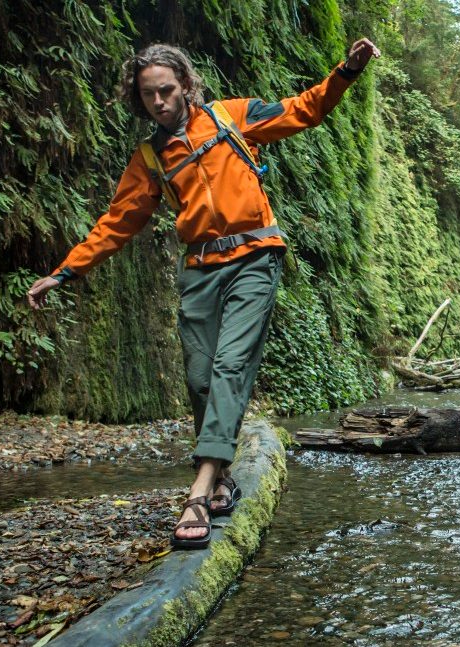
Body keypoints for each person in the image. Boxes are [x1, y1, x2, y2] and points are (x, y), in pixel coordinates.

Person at [26, 39, 380, 549]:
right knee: (198, 376)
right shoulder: (150, 158)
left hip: (256, 258)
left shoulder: (233, 118)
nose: (159, 102)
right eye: (148, 96)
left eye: (167, 90)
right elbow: (116, 224)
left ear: (187, 85)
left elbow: (304, 110)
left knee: (230, 365)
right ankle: (224, 476)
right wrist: (65, 272)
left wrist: (346, 71)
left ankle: (200, 486)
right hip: (200, 268)